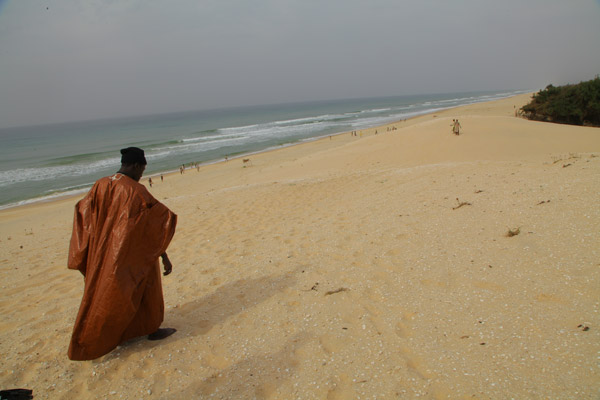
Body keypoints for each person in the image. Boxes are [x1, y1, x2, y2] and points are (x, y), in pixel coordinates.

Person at [67, 147, 178, 361]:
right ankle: (152, 329)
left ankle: (124, 332)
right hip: (130, 252)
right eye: (142, 169)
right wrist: (163, 255)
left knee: (113, 291)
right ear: (135, 165)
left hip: (104, 252)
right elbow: (155, 225)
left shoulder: (100, 184)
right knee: (146, 290)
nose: (142, 175)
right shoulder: (135, 190)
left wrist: (91, 248)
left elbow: (83, 213)